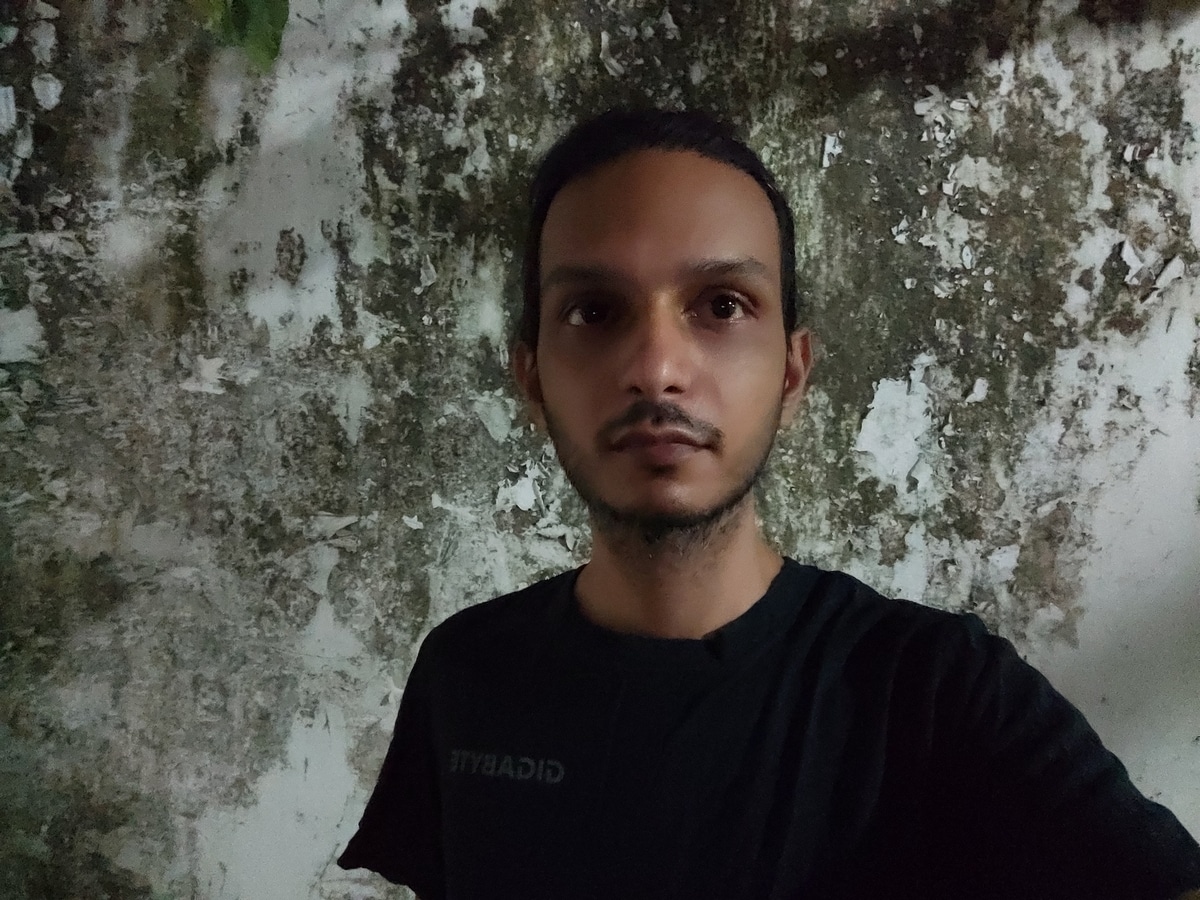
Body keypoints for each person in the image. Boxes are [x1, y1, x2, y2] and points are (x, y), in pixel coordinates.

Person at [337, 108, 1200, 900]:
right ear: (531, 378)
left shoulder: (934, 691)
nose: (657, 368)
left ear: (792, 374)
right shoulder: (466, 672)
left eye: (721, 306)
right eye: (595, 311)